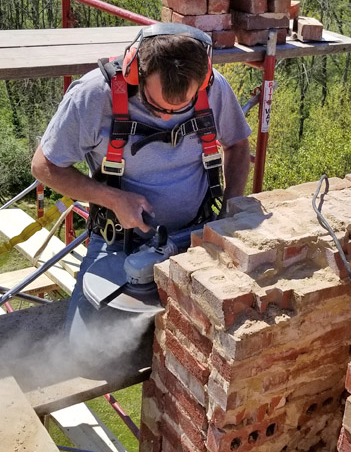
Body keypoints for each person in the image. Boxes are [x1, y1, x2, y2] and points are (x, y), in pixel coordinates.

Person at [31, 24, 251, 349]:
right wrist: (114, 198)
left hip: (199, 236)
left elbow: (237, 145)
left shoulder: (214, 89)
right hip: (120, 243)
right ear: (136, 71)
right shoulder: (94, 97)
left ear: (202, 82)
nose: (169, 116)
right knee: (83, 351)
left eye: (183, 106)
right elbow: (44, 167)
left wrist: (230, 210)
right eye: (158, 105)